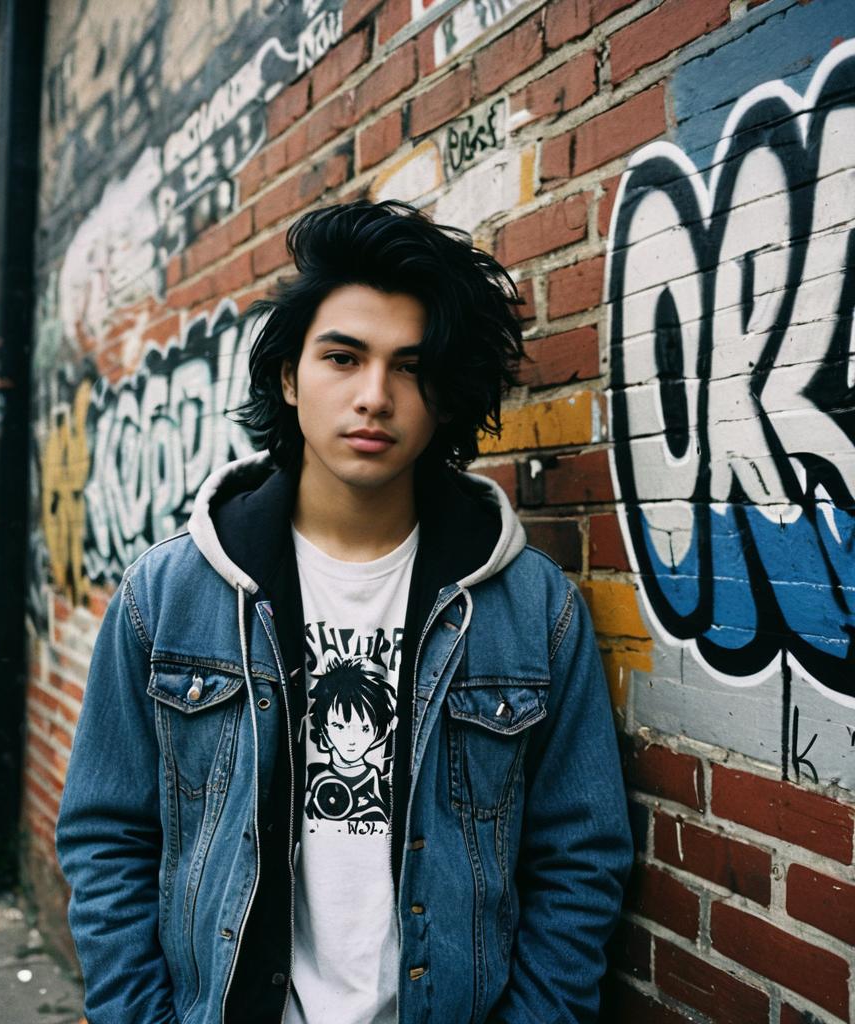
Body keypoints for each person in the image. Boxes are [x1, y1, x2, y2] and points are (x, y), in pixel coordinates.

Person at [56, 199, 632, 1024]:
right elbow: (107, 837)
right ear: (289, 378)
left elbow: (581, 858)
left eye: (410, 366)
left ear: (443, 395)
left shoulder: (532, 608)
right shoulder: (169, 595)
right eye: (343, 357)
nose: (375, 396)